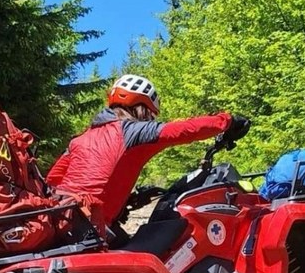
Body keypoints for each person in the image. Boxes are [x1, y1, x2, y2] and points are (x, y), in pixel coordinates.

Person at [46, 74, 249, 235]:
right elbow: (185, 129)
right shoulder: (133, 131)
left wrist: (124, 201)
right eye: (150, 113)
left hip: (61, 223)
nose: (151, 119)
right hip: (91, 230)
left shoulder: (80, 139)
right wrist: (228, 121)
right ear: (141, 107)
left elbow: (54, 180)